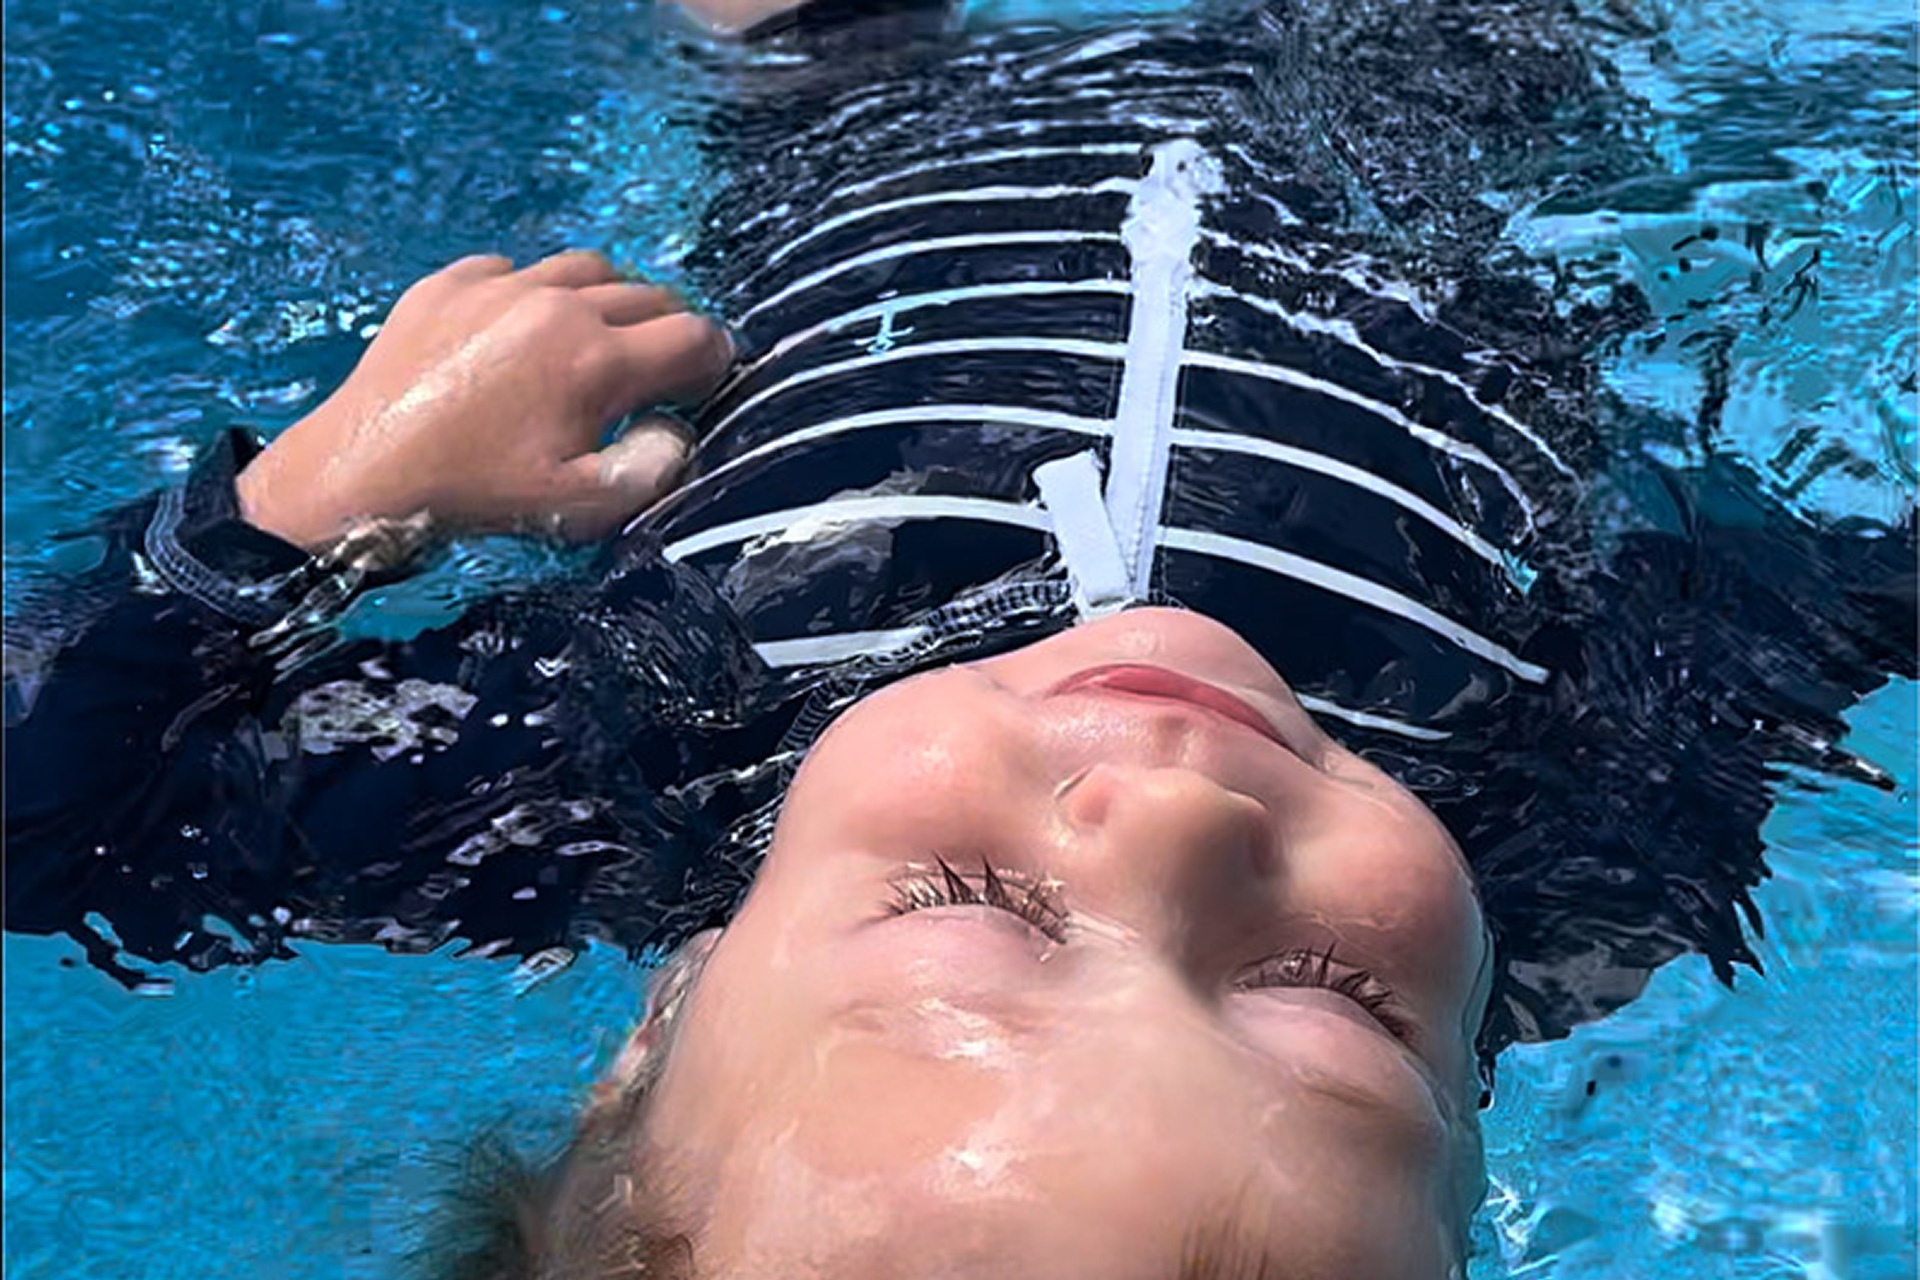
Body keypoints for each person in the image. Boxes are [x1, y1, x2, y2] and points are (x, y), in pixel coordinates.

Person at [4, 1, 1912, 1276]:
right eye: (1336, 993)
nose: (1169, 823)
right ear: (1472, 1146)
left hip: (855, 119)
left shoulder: (566, 784)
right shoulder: (1590, 856)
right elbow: (1838, 601)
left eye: (964, 901)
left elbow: (44, 827)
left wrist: (328, 496)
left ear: (650, 1049)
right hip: (1407, 137)